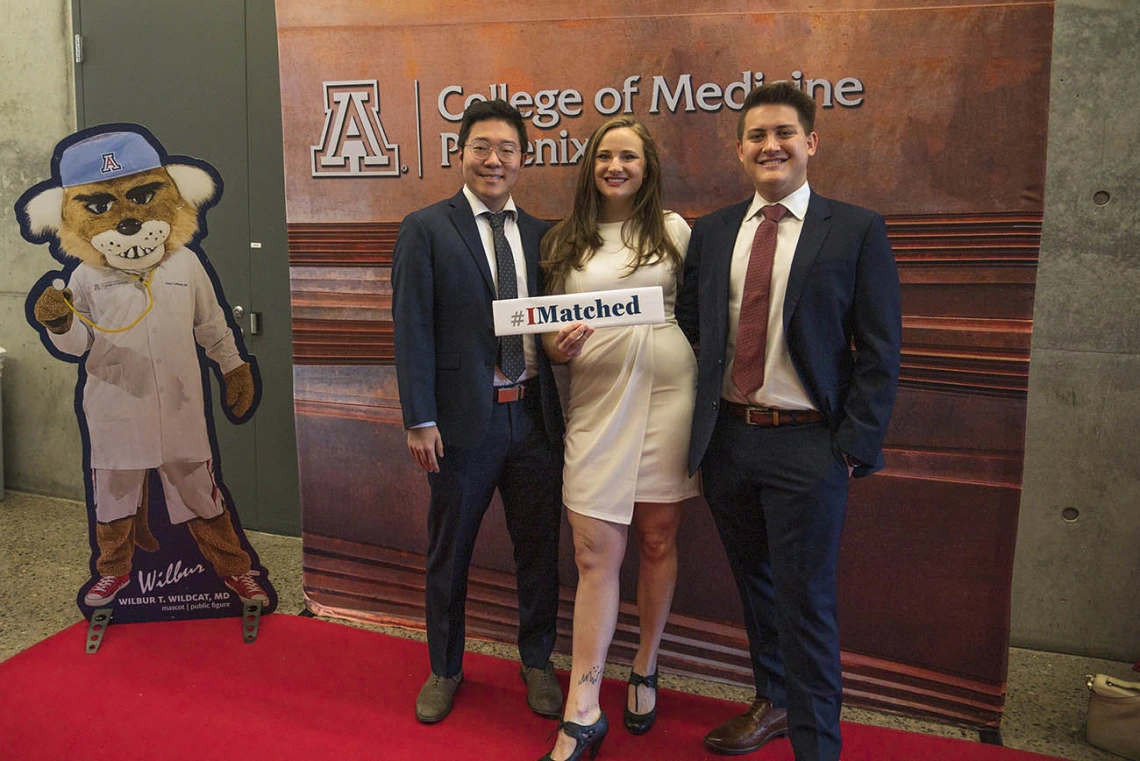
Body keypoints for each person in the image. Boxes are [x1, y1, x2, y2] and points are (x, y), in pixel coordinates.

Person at [675, 82, 902, 761]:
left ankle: (817, 748)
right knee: (758, 589)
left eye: (784, 132)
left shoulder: (856, 229)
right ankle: (773, 700)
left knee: (807, 607)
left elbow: (880, 349)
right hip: (729, 443)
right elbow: (691, 324)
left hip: (810, 446)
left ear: (810, 142)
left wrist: (851, 446)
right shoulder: (714, 231)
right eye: (756, 135)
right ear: (739, 149)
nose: (770, 145)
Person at [391, 99, 565, 725]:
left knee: (539, 550)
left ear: (524, 158)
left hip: (536, 420)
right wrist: (420, 417)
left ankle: (538, 662)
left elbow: (556, 320)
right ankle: (444, 668)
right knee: (450, 551)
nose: (495, 160)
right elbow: (410, 326)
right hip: (466, 424)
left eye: (508, 150)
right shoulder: (427, 227)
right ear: (460, 152)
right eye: (482, 148)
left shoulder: (548, 234)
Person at [538, 116, 699, 761]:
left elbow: (696, 312)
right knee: (592, 557)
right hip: (597, 401)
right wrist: (559, 344)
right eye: (605, 156)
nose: (615, 166)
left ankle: (647, 662)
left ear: (646, 166)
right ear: (590, 167)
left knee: (658, 537)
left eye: (628, 156)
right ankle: (584, 703)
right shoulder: (563, 241)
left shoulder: (677, 231)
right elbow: (547, 336)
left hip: (668, 397)